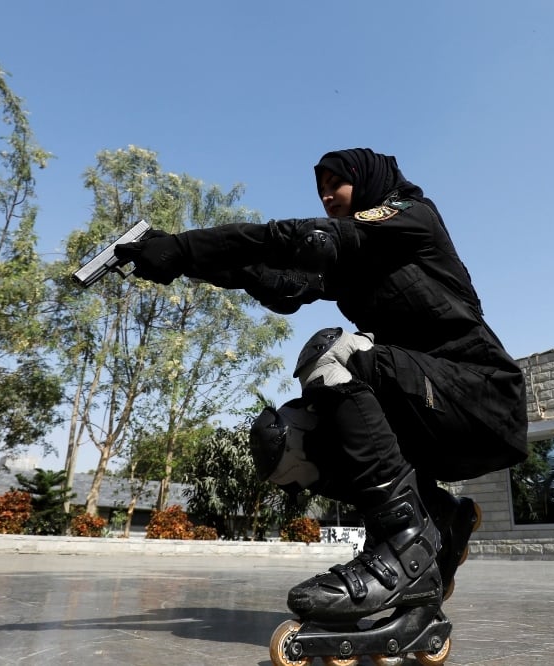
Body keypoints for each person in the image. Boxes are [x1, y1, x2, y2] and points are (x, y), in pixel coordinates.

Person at [115, 148, 527, 629]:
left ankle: (404, 546)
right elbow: (279, 282)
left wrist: (186, 245)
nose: (327, 195)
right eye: (321, 189)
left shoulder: (411, 216)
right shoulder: (353, 261)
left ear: (367, 182)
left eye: (336, 184)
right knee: (289, 438)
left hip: (480, 396)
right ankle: (438, 515)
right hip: (422, 409)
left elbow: (298, 240)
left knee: (336, 354)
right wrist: (176, 259)